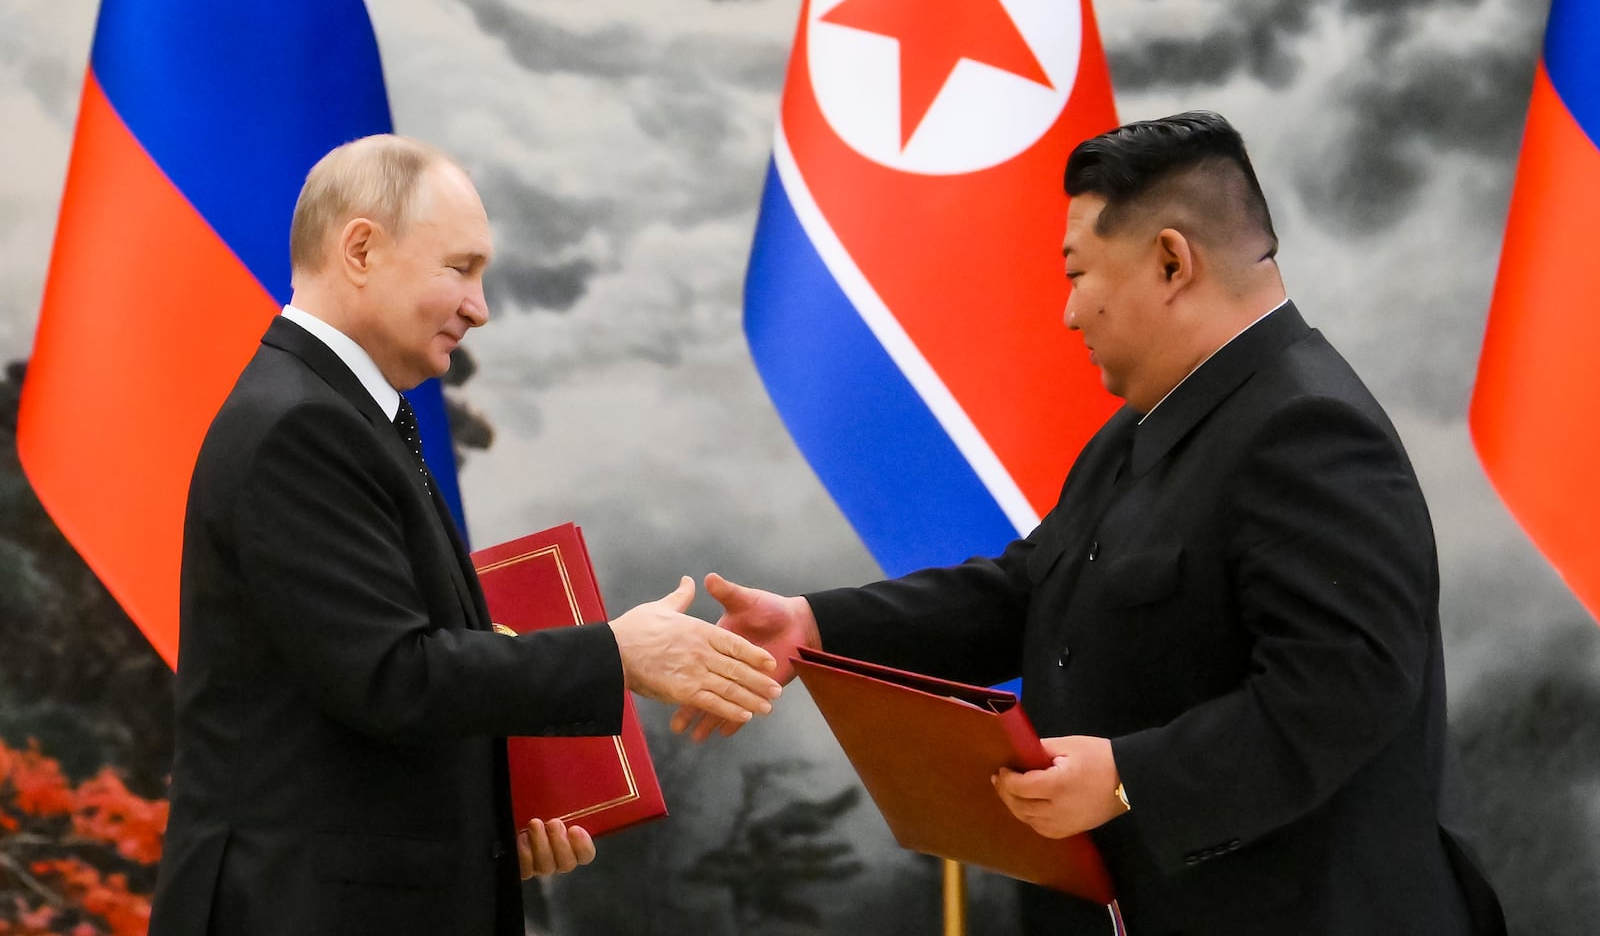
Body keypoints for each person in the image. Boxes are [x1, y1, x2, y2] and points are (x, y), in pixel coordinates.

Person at [678, 112, 1506, 934]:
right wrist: (814, 625)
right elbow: (1033, 590)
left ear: (1172, 261)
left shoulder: (1311, 427)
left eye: (1077, 274)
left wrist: (1126, 777)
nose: (1069, 314)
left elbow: (1345, 689)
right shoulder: (1146, 423)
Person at [147, 134, 783, 936]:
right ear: (362, 248)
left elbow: (352, 697)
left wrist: (490, 829)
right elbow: (392, 675)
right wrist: (617, 653)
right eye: (461, 267)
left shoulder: (337, 411)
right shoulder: (302, 425)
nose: (480, 306)